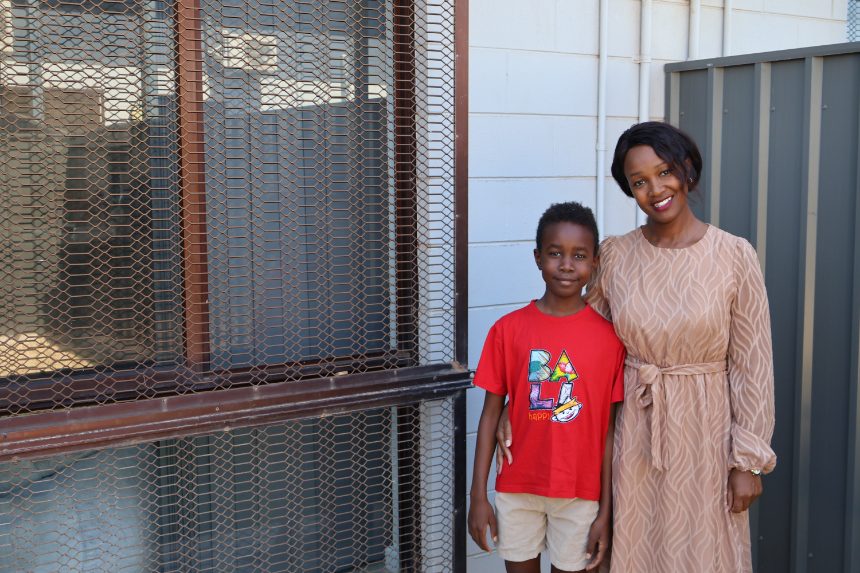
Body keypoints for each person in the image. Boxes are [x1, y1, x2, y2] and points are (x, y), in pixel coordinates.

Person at [495, 122, 776, 573]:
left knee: (703, 552)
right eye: (639, 181)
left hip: (708, 433)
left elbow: (753, 364)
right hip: (632, 433)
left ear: (687, 170)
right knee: (632, 549)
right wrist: (524, 399)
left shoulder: (734, 255)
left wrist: (749, 459)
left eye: (664, 172)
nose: (655, 189)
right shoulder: (617, 256)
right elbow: (574, 338)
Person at [468, 202, 627, 573]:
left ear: (595, 262)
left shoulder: (610, 340)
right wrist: (479, 495)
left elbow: (608, 430)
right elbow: (491, 413)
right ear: (538, 258)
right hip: (518, 488)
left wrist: (606, 510)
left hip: (579, 494)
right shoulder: (507, 330)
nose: (567, 265)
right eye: (555, 253)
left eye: (579, 255)